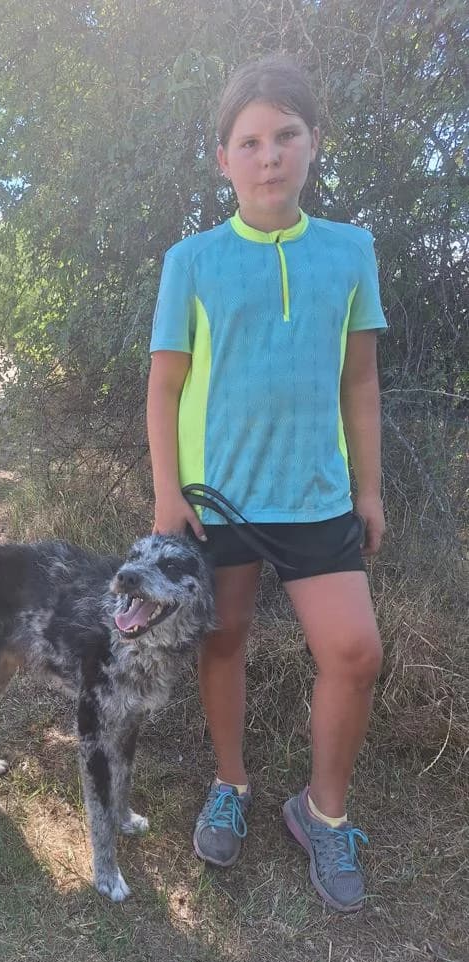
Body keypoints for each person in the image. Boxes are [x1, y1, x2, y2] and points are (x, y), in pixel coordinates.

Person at [147, 54, 387, 913]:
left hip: (318, 496)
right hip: (217, 502)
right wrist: (167, 493)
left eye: (286, 135)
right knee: (224, 638)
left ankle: (323, 814)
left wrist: (371, 489)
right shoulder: (192, 260)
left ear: (313, 141)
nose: (270, 155)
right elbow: (166, 386)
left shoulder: (351, 250)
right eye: (249, 141)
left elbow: (359, 383)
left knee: (355, 653)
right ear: (223, 159)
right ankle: (231, 784)